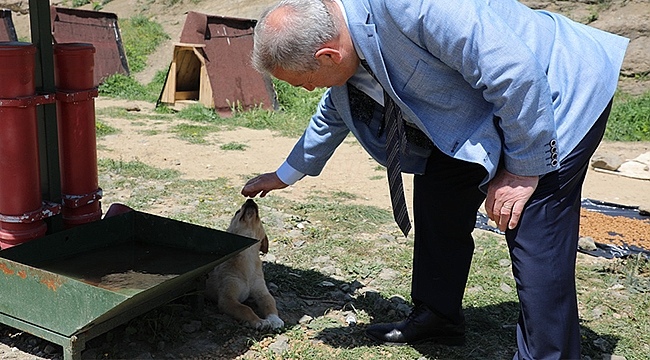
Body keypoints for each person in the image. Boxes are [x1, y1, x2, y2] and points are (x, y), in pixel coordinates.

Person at [241, 0, 629, 358]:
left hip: (555, 90)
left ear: (328, 55)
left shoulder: (414, 6)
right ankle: (438, 316)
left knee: (532, 226)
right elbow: (336, 108)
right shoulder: (343, 39)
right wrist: (285, 174)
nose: (309, 90)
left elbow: (514, 73)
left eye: (304, 81)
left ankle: (550, 353)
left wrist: (523, 168)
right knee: (440, 189)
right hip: (481, 112)